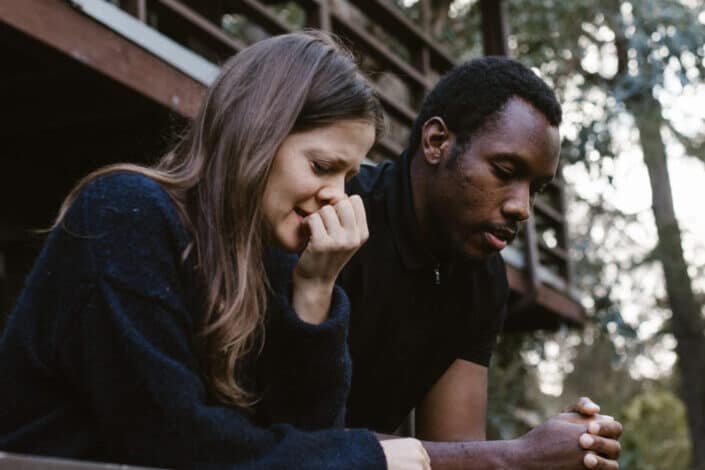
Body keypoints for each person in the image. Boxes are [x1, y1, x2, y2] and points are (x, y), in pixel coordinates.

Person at [0, 32, 431, 469]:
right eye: (322, 167)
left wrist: (315, 291)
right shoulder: (123, 215)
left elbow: (305, 440)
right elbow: (171, 439)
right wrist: (362, 459)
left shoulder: (277, 264)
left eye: (349, 177)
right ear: (256, 136)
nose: (338, 196)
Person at [340, 57, 624, 469]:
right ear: (437, 142)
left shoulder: (482, 279)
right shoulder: (337, 213)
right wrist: (517, 456)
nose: (521, 208)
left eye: (536, 189)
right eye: (505, 171)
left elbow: (458, 451)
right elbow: (289, 440)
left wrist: (540, 458)